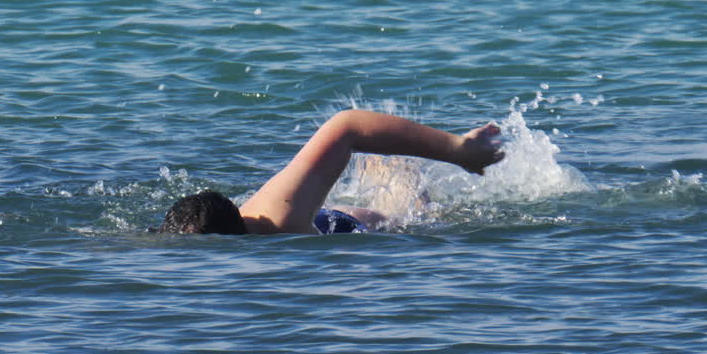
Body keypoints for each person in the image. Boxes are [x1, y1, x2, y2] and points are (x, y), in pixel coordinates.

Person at [158, 109, 505, 235]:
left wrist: (457, 151)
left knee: (413, 212)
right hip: (318, 221)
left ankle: (409, 163)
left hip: (354, 223)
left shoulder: (281, 214)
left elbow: (346, 126)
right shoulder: (176, 235)